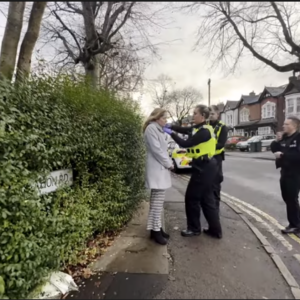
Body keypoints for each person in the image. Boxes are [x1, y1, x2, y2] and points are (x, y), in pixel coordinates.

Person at [163, 104, 222, 239]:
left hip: (204, 167)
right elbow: (185, 130)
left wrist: (171, 133)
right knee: (207, 199)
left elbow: (185, 144)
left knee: (191, 198)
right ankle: (215, 230)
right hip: (205, 166)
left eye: (195, 113)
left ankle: (194, 229)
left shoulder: (204, 132)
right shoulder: (199, 128)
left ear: (202, 116)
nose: (193, 115)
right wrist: (172, 127)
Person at [143, 108, 174, 245]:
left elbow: (165, 149)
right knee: (156, 204)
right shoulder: (151, 129)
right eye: (164, 118)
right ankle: (155, 231)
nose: (166, 121)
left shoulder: (158, 130)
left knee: (157, 203)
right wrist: (169, 164)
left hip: (160, 170)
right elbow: (157, 151)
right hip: (157, 170)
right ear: (156, 117)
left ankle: (155, 228)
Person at [271, 116, 300, 234]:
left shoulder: (298, 138)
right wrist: (276, 141)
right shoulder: (284, 137)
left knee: (292, 199)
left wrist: (283, 156)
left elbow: (298, 156)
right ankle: (295, 222)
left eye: (286, 124)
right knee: (287, 198)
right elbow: (274, 148)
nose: (284, 126)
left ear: (294, 125)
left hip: (295, 172)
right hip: (285, 171)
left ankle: (295, 225)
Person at [209, 105, 228, 212]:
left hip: (216, 158)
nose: (210, 116)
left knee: (215, 185)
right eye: (209, 114)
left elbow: (220, 144)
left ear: (218, 114)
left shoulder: (222, 127)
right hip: (206, 158)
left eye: (212, 114)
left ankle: (215, 210)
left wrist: (207, 149)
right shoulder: (206, 125)